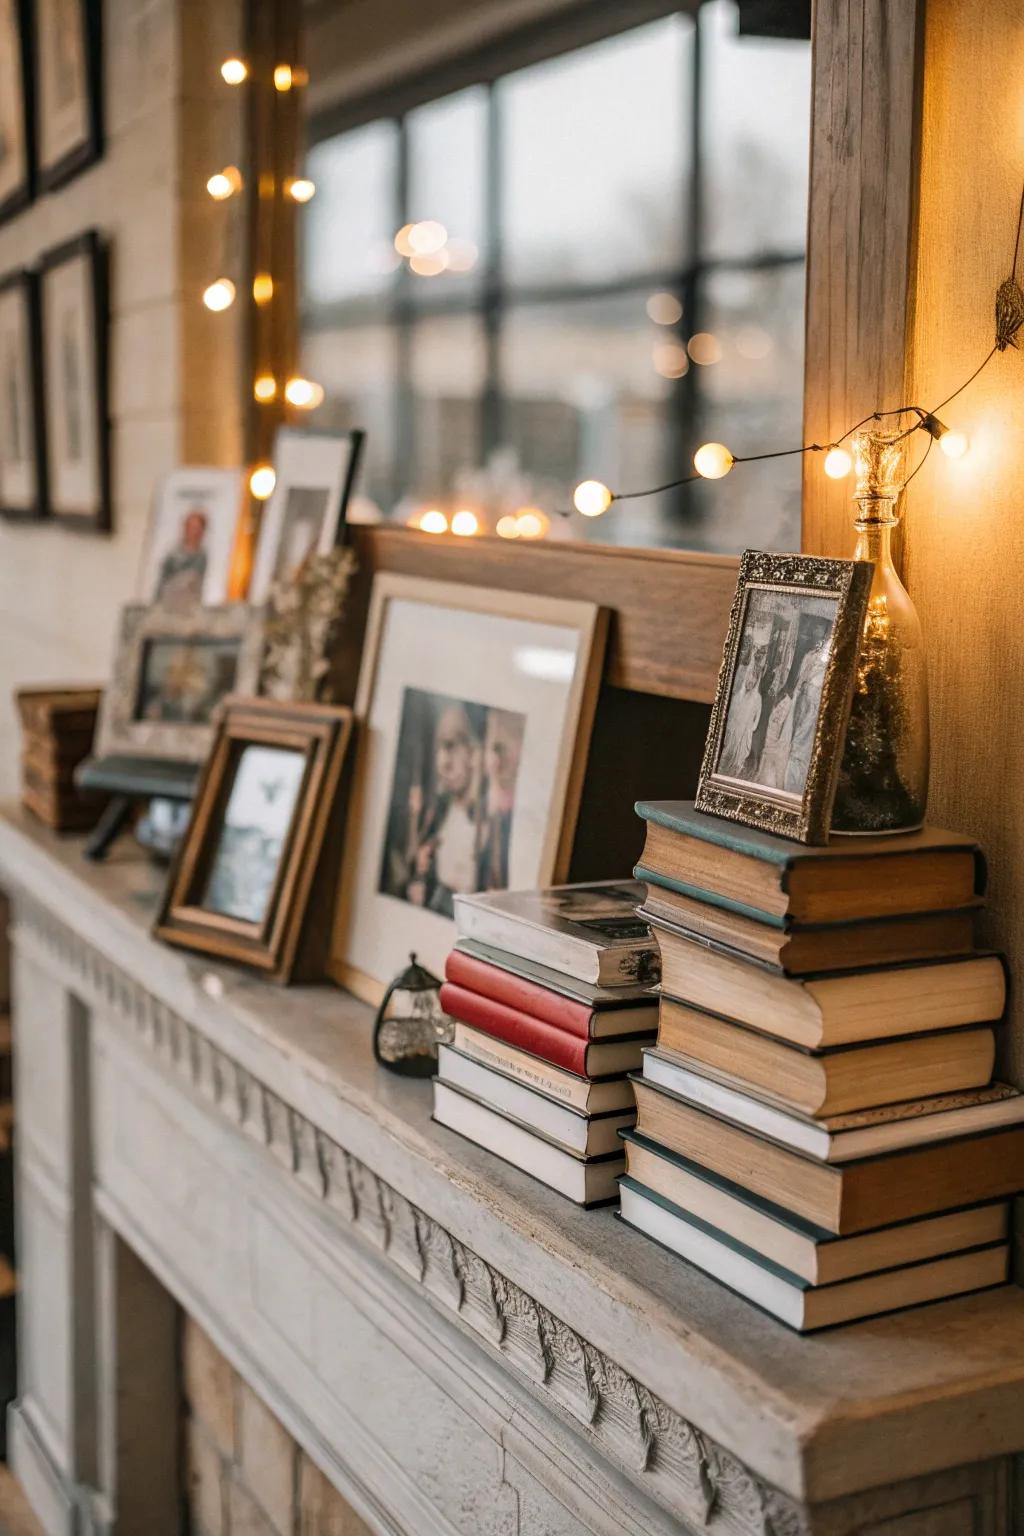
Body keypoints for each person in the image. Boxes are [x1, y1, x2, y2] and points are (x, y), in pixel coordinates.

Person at [404, 702, 482, 917]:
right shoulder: (437, 815)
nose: (443, 762)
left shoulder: (486, 827)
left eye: (452, 745)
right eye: (439, 747)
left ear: (474, 752)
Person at [156, 509, 209, 605]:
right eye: (192, 527)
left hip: (190, 606)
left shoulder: (202, 556)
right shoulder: (173, 554)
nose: (194, 532)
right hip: (169, 603)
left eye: (197, 528)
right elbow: (162, 583)